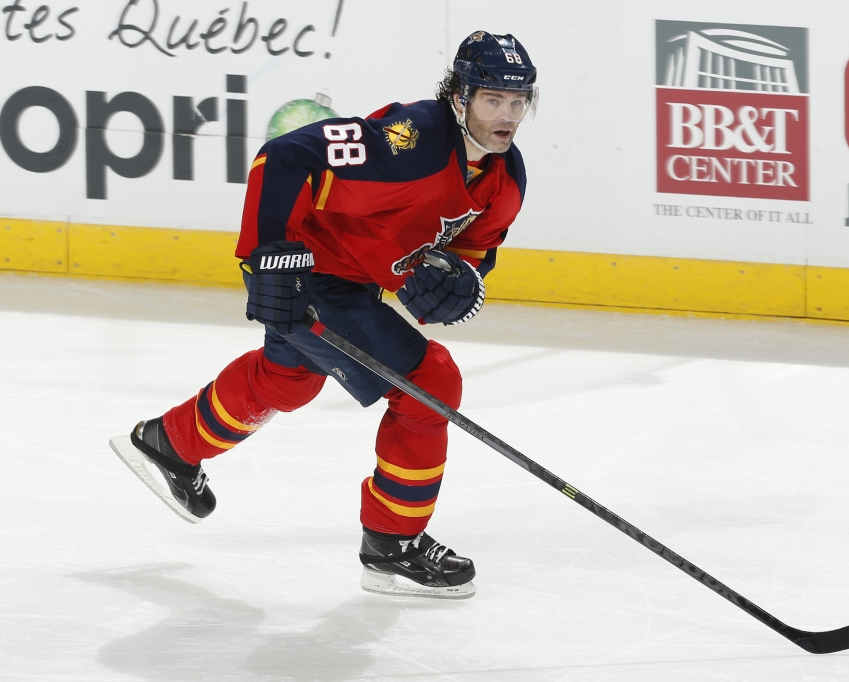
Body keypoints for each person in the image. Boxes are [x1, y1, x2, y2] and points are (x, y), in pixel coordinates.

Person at [109, 31, 538, 600]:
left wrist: (463, 281)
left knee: (287, 380)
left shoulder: (506, 180)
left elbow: (468, 257)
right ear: (459, 96)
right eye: (492, 100)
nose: (506, 116)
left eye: (518, 102)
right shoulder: (409, 139)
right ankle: (394, 545)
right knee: (430, 381)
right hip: (308, 272)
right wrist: (268, 256)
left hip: (352, 281)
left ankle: (169, 444)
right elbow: (287, 155)